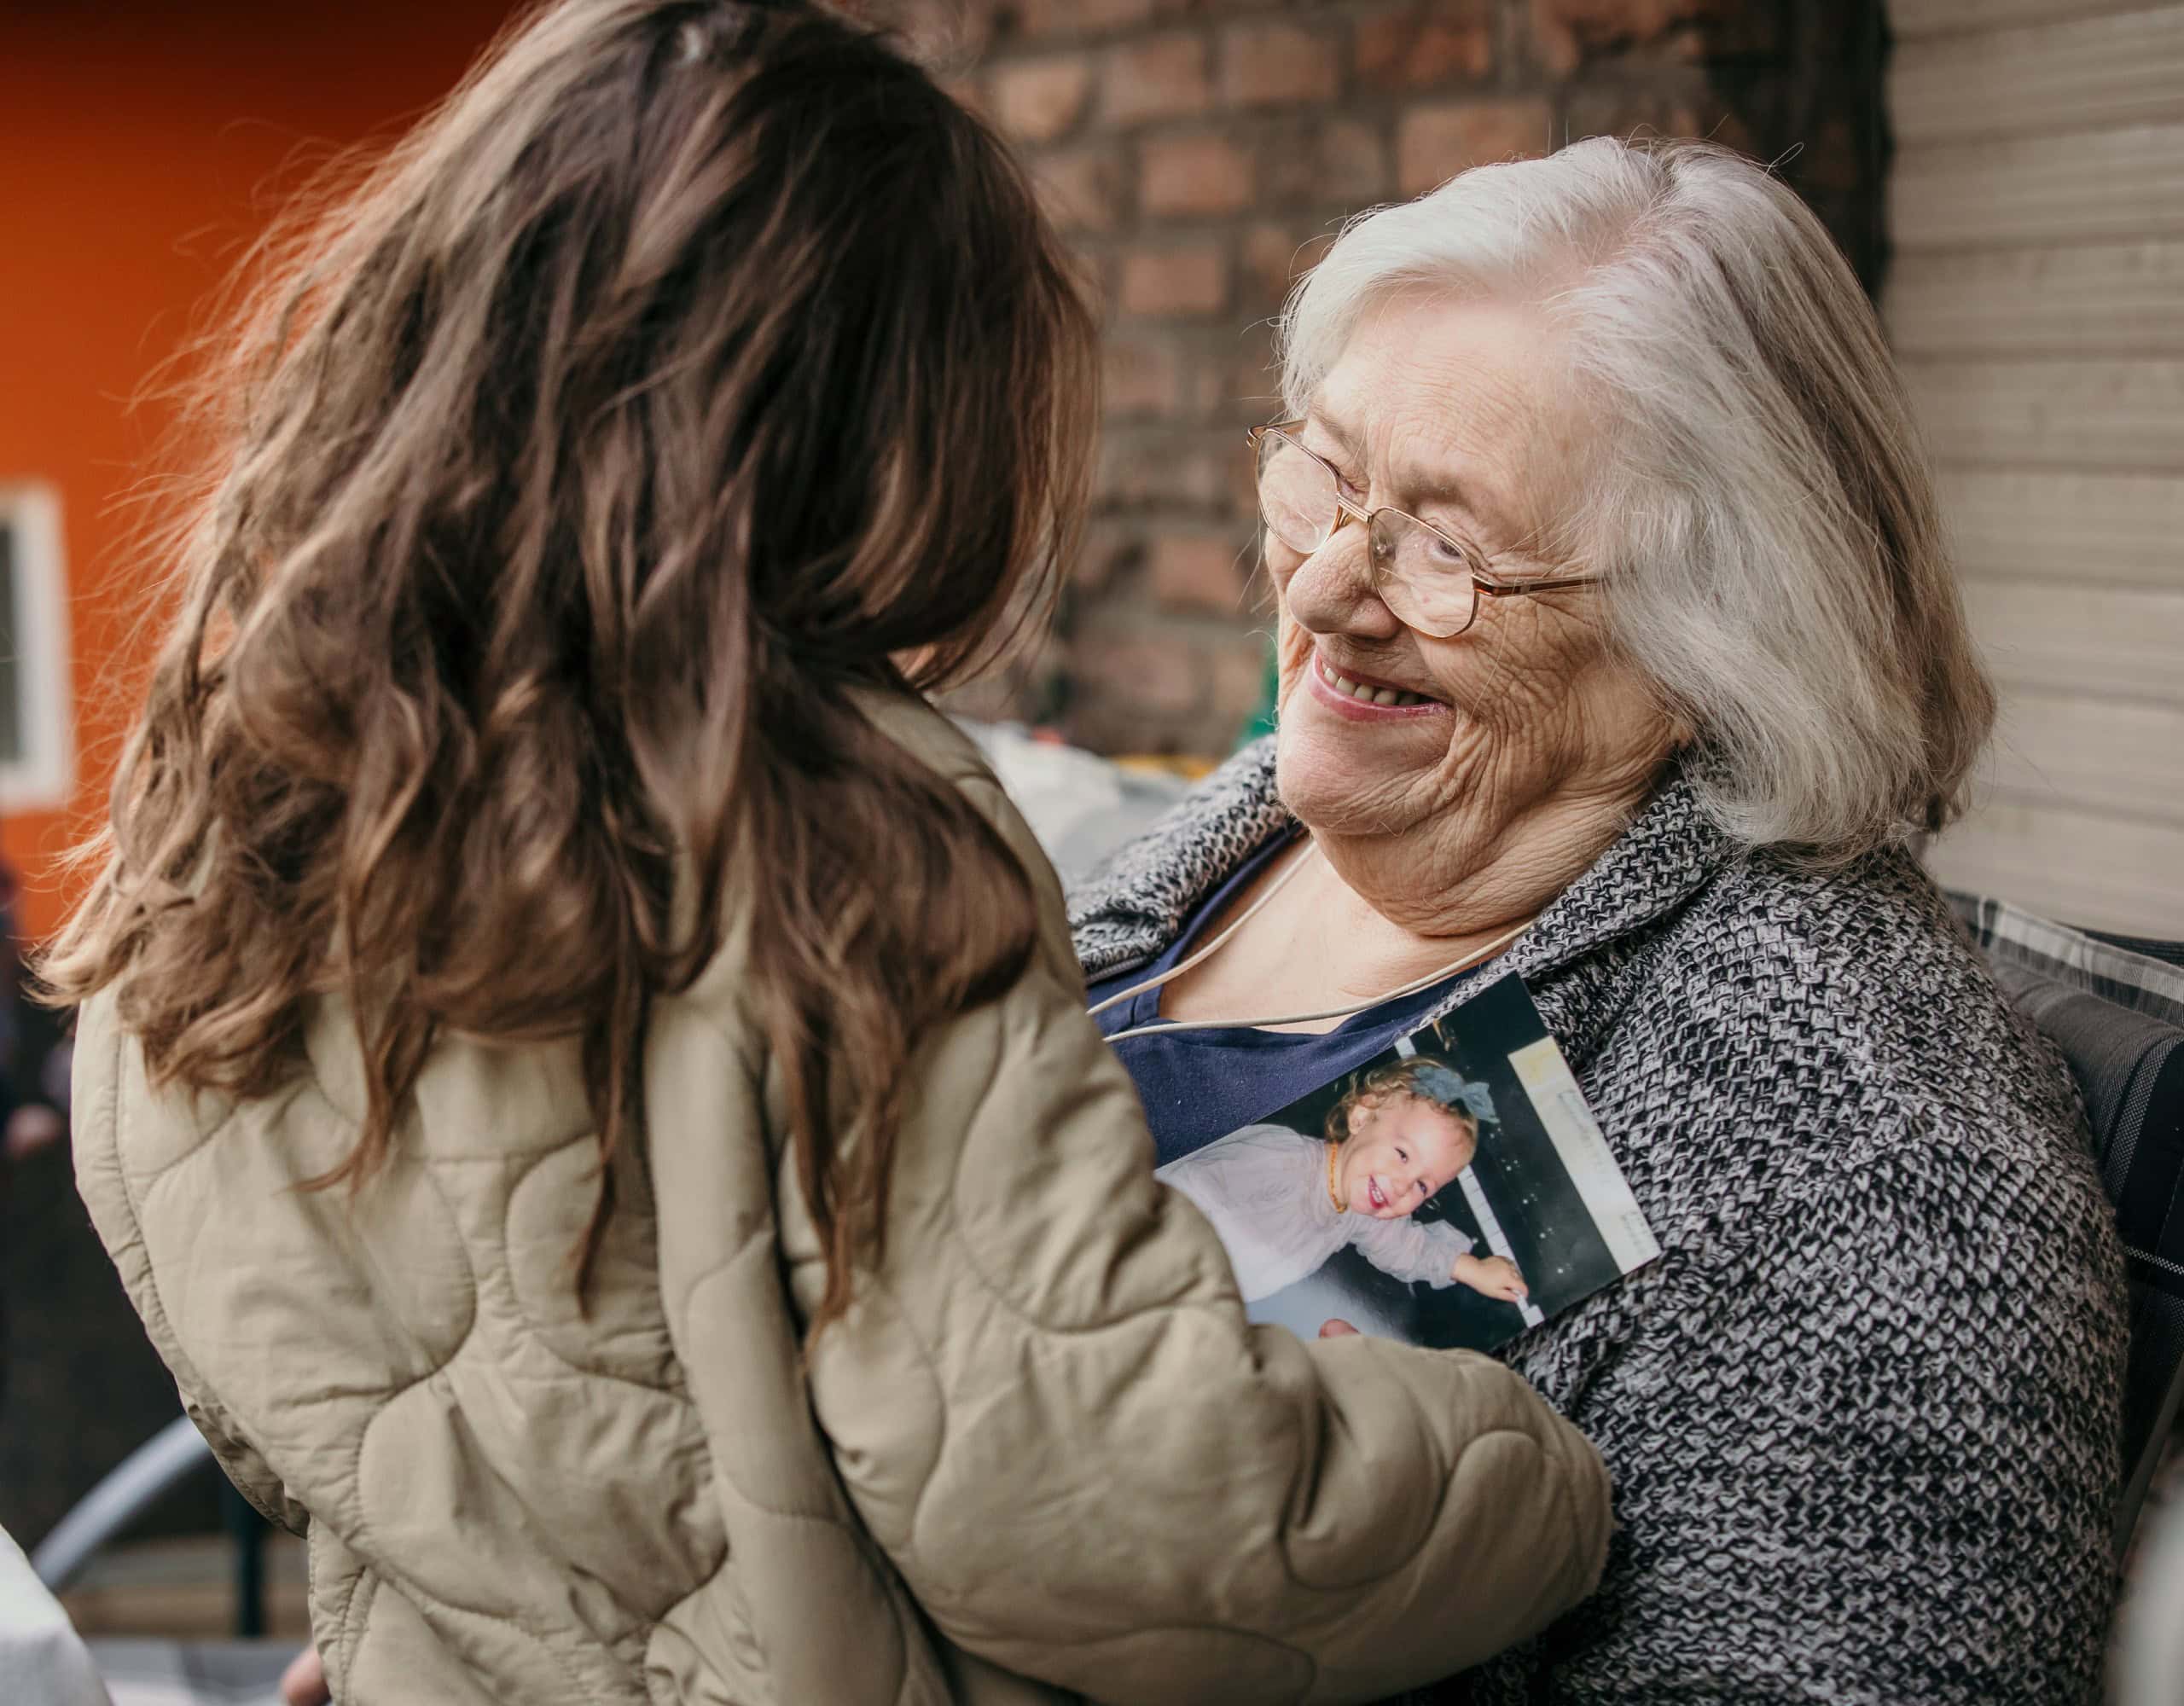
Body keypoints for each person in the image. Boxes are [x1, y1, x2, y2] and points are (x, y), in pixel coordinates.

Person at [43, 5, 1612, 1704]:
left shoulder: (227, 808)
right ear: (880, 429)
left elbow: (327, 1420)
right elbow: (1115, 1504)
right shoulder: (848, 845)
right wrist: (1533, 1472)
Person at [1072, 137, 2129, 1705]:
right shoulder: (1266, 821)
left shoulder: (1859, 1148)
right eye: (1331, 478)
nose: (1318, 594)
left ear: (1715, 640)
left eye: (1449, 548)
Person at [1155, 1057, 1530, 1304]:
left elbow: (1407, 1248)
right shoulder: (1285, 1160)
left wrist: (1473, 1270)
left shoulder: (1356, 1214)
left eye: (1422, 1186)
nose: (1401, 1186)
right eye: (1402, 1155)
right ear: (1363, 1118)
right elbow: (1183, 1191)